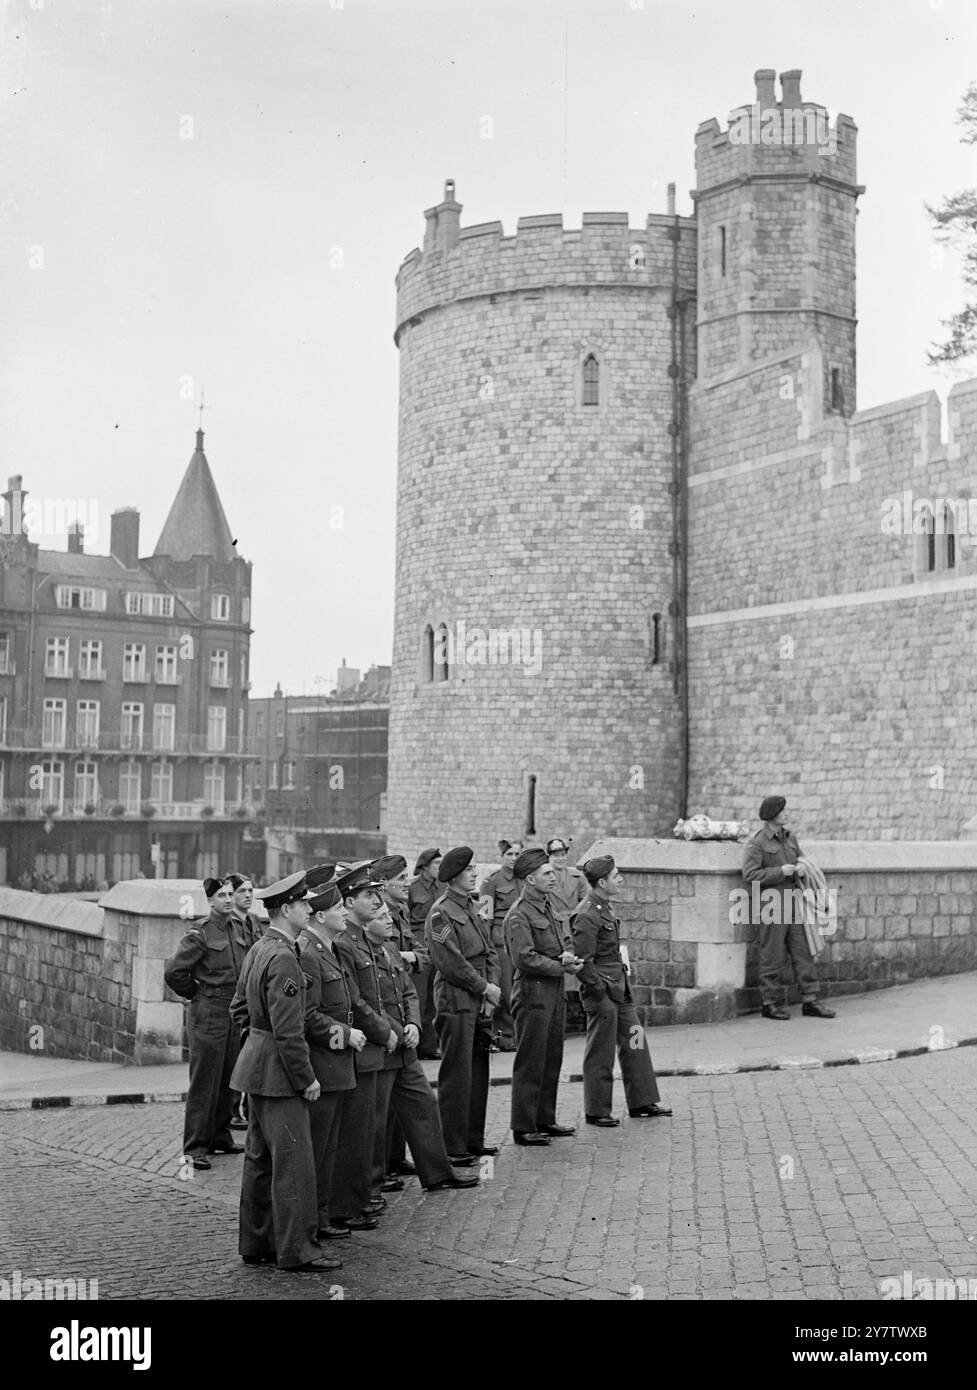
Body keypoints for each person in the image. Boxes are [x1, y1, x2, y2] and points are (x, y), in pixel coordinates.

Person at [229, 870, 341, 1273]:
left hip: (257, 1070)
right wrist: (306, 1078)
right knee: (293, 1164)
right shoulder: (285, 958)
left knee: (260, 1160)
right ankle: (297, 1250)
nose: (311, 909)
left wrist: (257, 1050)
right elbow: (289, 1031)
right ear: (288, 909)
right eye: (305, 904)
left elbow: (239, 1009)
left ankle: (257, 1242)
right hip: (279, 1075)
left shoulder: (260, 948)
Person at [368, 902, 481, 1194]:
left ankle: (438, 1173)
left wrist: (415, 1025)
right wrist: (395, 1030)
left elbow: (408, 992)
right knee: (374, 1120)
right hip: (383, 1043)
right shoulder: (355, 950)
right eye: (381, 916)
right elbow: (367, 1001)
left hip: (404, 1043)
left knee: (423, 1104)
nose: (389, 921)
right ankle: (371, 1185)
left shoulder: (390, 949)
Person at [571, 855, 672, 1127]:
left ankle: (642, 1102)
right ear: (602, 882)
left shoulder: (605, 906)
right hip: (603, 991)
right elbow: (582, 962)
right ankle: (596, 1110)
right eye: (616, 876)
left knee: (635, 1040)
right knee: (600, 1052)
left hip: (619, 987)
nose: (621, 879)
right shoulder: (587, 913)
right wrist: (600, 989)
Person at [298, 871, 368, 1242]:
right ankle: (317, 1217)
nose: (345, 913)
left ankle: (325, 1213)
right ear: (321, 915)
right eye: (339, 908)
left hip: (337, 1063)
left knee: (331, 1145)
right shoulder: (309, 952)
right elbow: (308, 1016)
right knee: (320, 1147)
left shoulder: (329, 947)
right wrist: (345, 1034)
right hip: (324, 1063)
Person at [331, 862, 399, 1231]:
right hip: (362, 1044)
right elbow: (355, 1001)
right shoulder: (345, 941)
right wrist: (384, 1030)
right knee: (355, 1130)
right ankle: (346, 1204)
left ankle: (358, 1198)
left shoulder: (358, 938)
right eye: (368, 896)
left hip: (372, 1044)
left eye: (376, 894)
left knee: (366, 1129)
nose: (376, 901)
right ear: (350, 900)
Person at [164, 876, 248, 1169]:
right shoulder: (199, 933)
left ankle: (219, 1136)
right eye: (221, 896)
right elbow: (175, 972)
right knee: (204, 1081)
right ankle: (195, 1146)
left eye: (229, 894)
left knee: (229, 1076)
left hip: (233, 1009)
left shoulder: (238, 928)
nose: (227, 899)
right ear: (210, 901)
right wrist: (196, 994)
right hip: (208, 1010)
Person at [425, 845, 501, 1164]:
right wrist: (485, 988)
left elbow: (489, 951)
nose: (474, 875)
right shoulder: (442, 912)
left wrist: (490, 990)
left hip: (479, 996)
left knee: (477, 1071)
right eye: (469, 870)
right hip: (457, 998)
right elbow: (451, 963)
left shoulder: (470, 906)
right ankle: (453, 1146)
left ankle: (473, 1139)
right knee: (457, 1073)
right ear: (454, 876)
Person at [504, 847, 581, 1145]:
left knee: (552, 1057)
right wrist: (560, 966)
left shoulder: (546, 906)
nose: (553, 877)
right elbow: (524, 959)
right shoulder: (518, 915)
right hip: (533, 993)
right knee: (531, 1059)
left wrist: (568, 956)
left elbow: (562, 940)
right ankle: (524, 1126)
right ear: (529, 880)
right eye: (546, 874)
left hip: (553, 991)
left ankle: (544, 1118)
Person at [742, 796, 836, 1021]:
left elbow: (801, 858)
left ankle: (810, 1000)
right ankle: (770, 1004)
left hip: (795, 903)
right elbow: (750, 875)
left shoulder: (790, 837)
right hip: (772, 905)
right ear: (773, 815)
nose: (787, 814)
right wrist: (779, 872)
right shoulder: (757, 843)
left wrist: (802, 867)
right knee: (771, 956)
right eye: (783, 811)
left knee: (803, 953)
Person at [372, 853, 432, 1181]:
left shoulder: (402, 912)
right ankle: (381, 1165)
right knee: (384, 1099)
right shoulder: (377, 915)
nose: (407, 882)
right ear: (383, 884)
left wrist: (405, 955)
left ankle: (394, 1159)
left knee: (400, 1095)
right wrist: (405, 956)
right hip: (386, 1013)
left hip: (404, 1001)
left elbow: (422, 955)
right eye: (401, 877)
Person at [476, 840, 523, 1050]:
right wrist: (488, 948)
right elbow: (485, 918)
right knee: (504, 990)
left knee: (521, 990)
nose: (514, 859)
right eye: (510, 854)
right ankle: (504, 1037)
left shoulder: (525, 879)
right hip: (500, 943)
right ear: (502, 856)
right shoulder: (491, 882)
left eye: (517, 854)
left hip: (521, 940)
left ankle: (518, 1034)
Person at [408, 848, 442, 1058]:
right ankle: (415, 1046)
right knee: (418, 998)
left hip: (437, 946)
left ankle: (429, 1046)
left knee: (433, 998)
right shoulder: (412, 888)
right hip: (419, 946)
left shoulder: (443, 887)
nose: (440, 867)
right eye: (437, 863)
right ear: (424, 867)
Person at [545, 837, 588, 926]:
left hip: (575, 923)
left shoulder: (578, 876)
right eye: (556, 855)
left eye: (563, 854)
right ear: (549, 857)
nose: (560, 858)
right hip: (552, 923)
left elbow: (585, 902)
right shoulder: (544, 877)